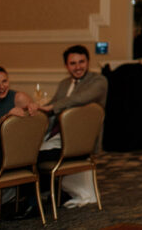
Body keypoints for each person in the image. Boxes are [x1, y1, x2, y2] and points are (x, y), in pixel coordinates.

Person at [38, 44, 108, 208]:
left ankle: (35, 202)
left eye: (81, 62)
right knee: (27, 152)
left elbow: (80, 98)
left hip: (80, 140)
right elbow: (52, 105)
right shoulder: (64, 83)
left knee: (37, 157)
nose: (78, 67)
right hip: (57, 136)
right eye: (73, 63)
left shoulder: (98, 80)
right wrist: (36, 110)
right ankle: (45, 194)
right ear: (66, 66)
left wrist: (52, 107)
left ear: (88, 62)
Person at [0, 66, 39, 172]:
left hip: (13, 152)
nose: (1, 87)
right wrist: (6, 117)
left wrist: (34, 109)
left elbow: (34, 129)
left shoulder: (19, 98)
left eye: (4, 81)